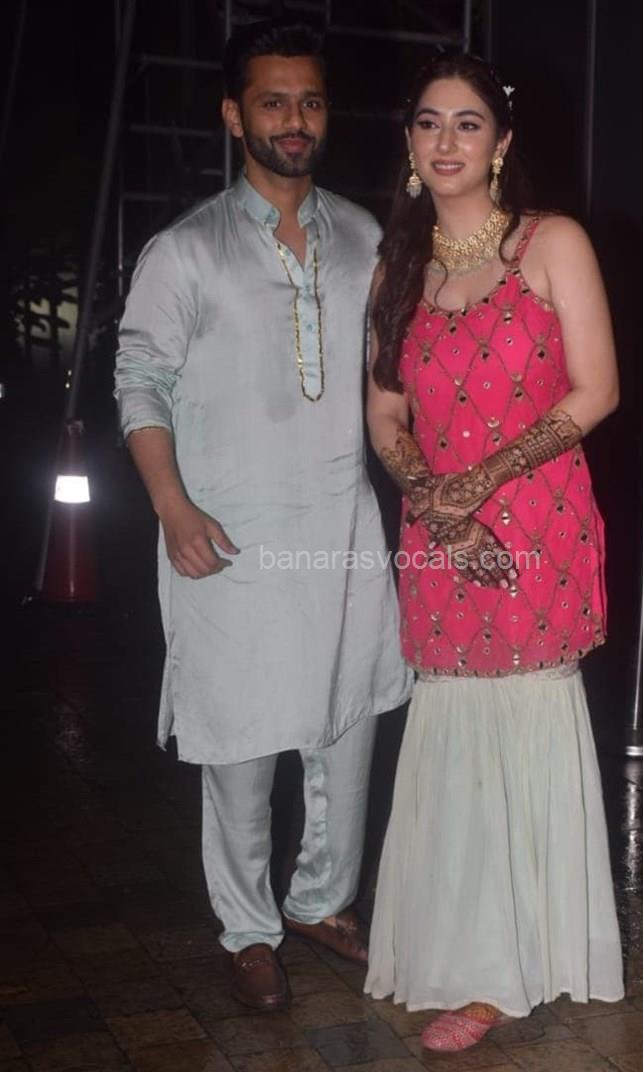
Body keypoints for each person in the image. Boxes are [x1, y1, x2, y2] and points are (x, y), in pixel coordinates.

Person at [114, 20, 412, 1011]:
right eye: (274, 101)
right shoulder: (184, 250)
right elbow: (139, 381)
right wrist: (171, 506)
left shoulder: (366, 239)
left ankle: (321, 900)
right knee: (238, 738)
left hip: (339, 530)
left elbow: (395, 383)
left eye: (310, 101)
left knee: (347, 721)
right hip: (227, 533)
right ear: (233, 115)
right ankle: (247, 931)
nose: (295, 119)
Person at [364, 52, 624, 1051]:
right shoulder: (397, 270)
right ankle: (460, 947)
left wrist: (480, 484)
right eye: (428, 122)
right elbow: (385, 417)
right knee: (455, 730)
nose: (445, 141)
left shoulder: (549, 244)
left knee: (521, 723)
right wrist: (439, 507)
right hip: (439, 533)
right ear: (407, 141)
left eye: (467, 123)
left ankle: (502, 975)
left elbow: (595, 390)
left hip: (536, 524)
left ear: (501, 143)